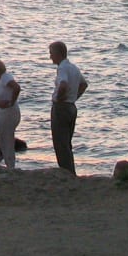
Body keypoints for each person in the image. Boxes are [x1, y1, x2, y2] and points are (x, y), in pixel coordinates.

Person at [47, 41, 87, 174]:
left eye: (51, 53)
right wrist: (74, 97)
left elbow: (63, 85)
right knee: (67, 143)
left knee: (60, 143)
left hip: (62, 108)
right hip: (71, 106)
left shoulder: (62, 68)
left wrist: (59, 98)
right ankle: (71, 170)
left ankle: (66, 172)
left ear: (58, 54)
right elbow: (84, 84)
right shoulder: (73, 67)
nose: (50, 57)